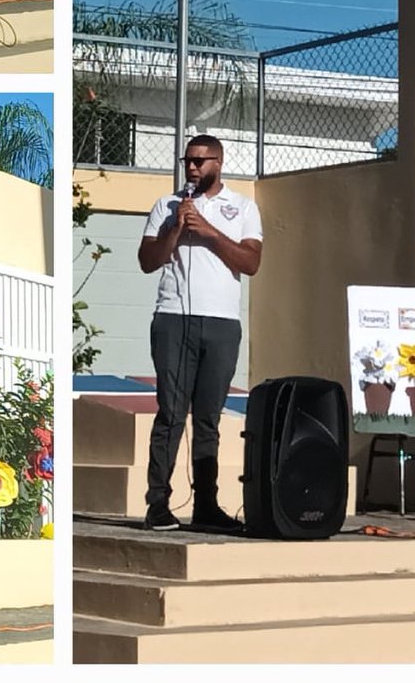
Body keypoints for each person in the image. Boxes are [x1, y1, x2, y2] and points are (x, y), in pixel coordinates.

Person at [137, 134, 263, 532]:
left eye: (199, 161)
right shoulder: (166, 205)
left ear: (218, 163)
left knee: (208, 418)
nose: (191, 168)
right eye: (187, 161)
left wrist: (207, 230)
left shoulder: (243, 207)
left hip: (221, 322)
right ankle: (158, 504)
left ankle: (207, 505)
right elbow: (147, 261)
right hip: (174, 318)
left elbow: (250, 262)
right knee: (171, 413)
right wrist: (176, 229)